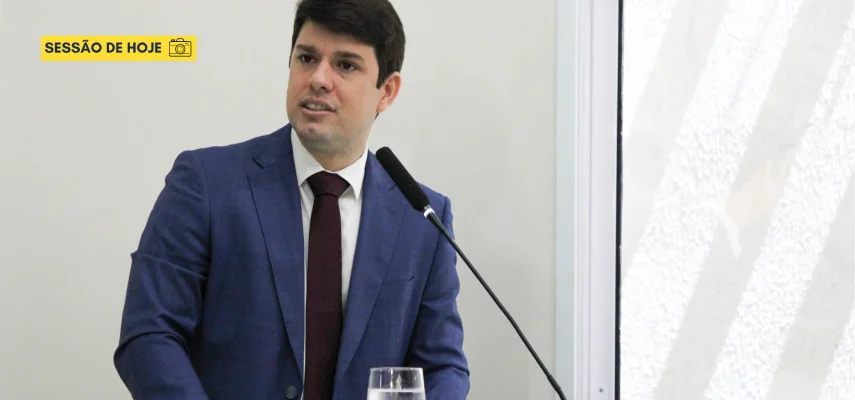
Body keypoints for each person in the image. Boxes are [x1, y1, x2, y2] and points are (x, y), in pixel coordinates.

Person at [112, 0, 470, 398]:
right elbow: (149, 334)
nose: (318, 78)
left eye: (345, 65)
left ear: (386, 91)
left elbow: (443, 365)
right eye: (307, 58)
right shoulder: (207, 184)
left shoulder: (422, 216)